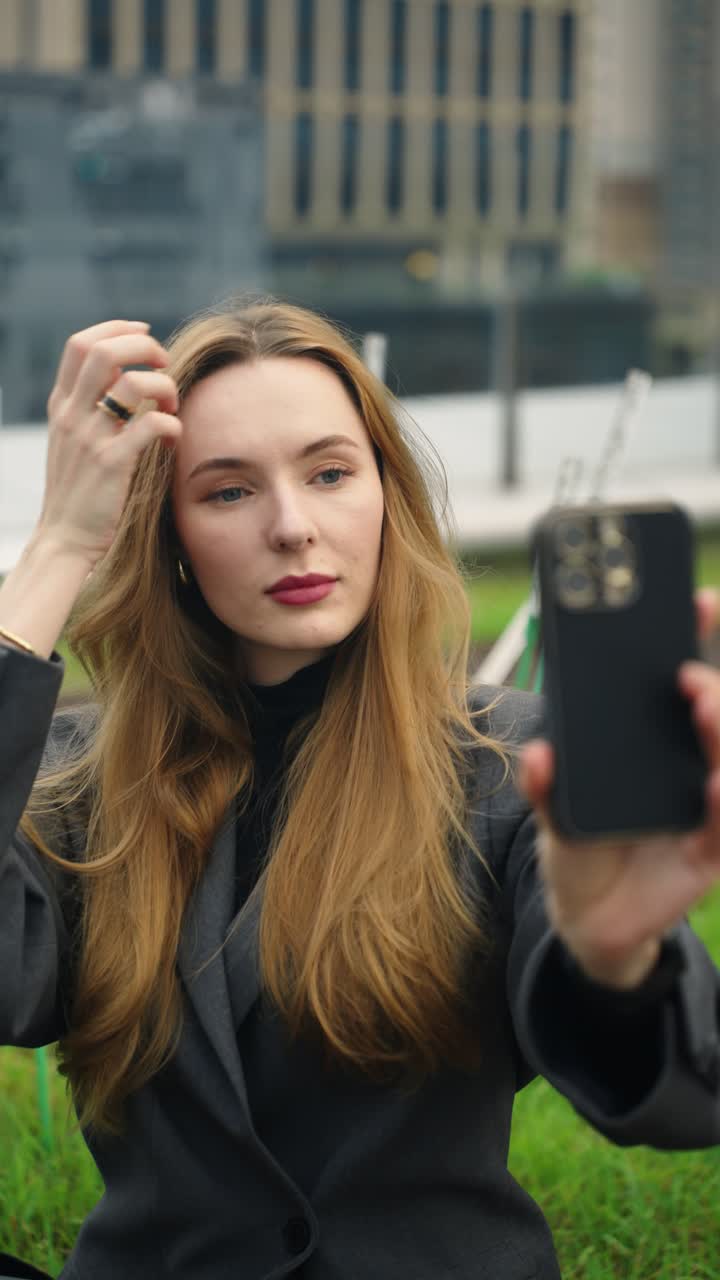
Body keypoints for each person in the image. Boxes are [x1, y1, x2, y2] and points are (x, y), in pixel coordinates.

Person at [0, 300, 719, 1280]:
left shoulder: (512, 759)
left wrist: (618, 958)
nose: (294, 527)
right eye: (226, 492)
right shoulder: (78, 779)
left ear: (388, 492)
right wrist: (55, 550)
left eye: (331, 473)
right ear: (167, 534)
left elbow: (679, 1100)